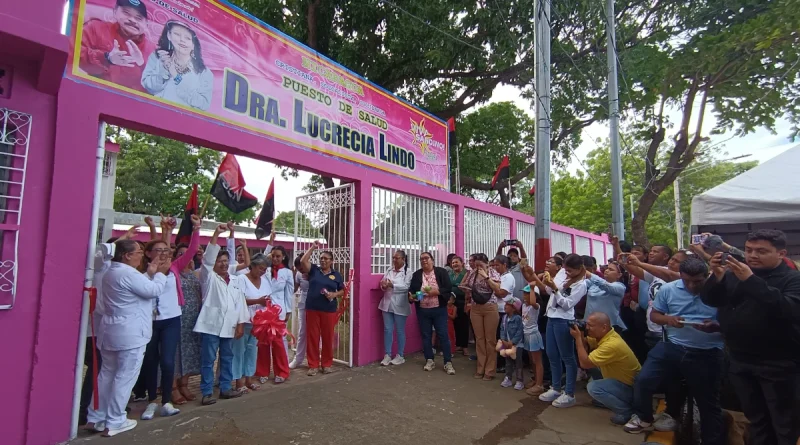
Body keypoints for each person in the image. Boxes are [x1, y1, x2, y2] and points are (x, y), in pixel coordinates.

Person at [701, 230, 800, 445]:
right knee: (756, 419)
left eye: (761, 251)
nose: (752, 255)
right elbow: (711, 299)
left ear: (781, 253)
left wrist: (750, 280)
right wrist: (716, 275)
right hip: (740, 359)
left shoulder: (792, 279)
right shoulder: (734, 273)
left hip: (778, 363)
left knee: (784, 422)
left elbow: (788, 309)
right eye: (749, 250)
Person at [624, 257, 725, 445]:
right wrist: (668, 319)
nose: (691, 285)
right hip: (672, 346)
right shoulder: (668, 289)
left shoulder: (720, 291)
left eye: (697, 281)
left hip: (707, 352)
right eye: (686, 280)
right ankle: (644, 417)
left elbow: (736, 322)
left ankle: (712, 440)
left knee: (707, 402)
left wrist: (717, 326)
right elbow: (655, 315)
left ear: (706, 276)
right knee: (644, 379)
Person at [85, 240, 170, 437]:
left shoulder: (110, 271)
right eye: (138, 252)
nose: (141, 255)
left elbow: (137, 286)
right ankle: (115, 419)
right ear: (126, 255)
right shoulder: (126, 273)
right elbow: (153, 290)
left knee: (107, 375)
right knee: (124, 376)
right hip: (129, 332)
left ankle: (97, 417)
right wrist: (159, 274)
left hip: (112, 331)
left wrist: (151, 272)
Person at [140, 215, 201, 420]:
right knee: (151, 361)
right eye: (158, 251)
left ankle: (166, 400)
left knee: (168, 362)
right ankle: (151, 401)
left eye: (167, 251)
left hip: (172, 321)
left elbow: (192, 250)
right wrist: (159, 230)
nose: (164, 253)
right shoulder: (142, 271)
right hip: (149, 322)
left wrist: (196, 229)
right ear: (148, 254)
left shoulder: (174, 267)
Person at [194, 224, 248, 406]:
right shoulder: (207, 278)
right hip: (211, 325)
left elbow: (239, 303)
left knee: (227, 357)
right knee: (208, 360)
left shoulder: (234, 280)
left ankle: (226, 388)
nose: (224, 264)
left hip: (229, 326)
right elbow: (207, 260)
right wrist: (217, 234)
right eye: (220, 261)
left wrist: (241, 323)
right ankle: (207, 392)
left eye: (226, 261)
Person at [532, 253, 588, 408]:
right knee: (552, 354)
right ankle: (556, 387)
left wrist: (555, 288)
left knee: (567, 357)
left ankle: (569, 393)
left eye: (570, 270)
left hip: (564, 320)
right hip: (551, 316)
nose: (566, 272)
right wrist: (550, 284)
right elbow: (549, 292)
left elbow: (567, 304)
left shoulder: (581, 284)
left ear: (578, 269)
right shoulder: (563, 274)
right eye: (565, 269)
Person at [572, 312, 641, 425]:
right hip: (621, 381)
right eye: (587, 324)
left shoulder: (612, 344)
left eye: (590, 325)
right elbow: (585, 346)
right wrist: (582, 334)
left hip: (631, 388)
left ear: (603, 327)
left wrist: (578, 338)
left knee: (594, 388)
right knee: (594, 369)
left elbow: (584, 363)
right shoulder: (605, 335)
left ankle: (626, 411)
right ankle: (611, 400)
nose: (588, 328)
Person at [79, 0, 153, 92]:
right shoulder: (95, 28)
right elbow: (74, 51)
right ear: (115, 12)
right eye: (126, 13)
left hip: (131, 104)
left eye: (138, 18)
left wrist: (142, 64)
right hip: (91, 93)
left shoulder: (154, 52)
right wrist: (107, 58)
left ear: (146, 24)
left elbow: (159, 88)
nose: (132, 20)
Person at [141, 21, 213, 110]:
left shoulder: (204, 72)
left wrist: (176, 76)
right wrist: (163, 72)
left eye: (187, 38)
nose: (182, 40)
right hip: (155, 114)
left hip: (184, 121)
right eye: (177, 34)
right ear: (169, 35)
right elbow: (149, 87)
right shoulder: (158, 57)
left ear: (193, 45)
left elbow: (203, 104)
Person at [301, 241, 344, 376]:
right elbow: (303, 261)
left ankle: (326, 364)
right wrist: (313, 247)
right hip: (312, 308)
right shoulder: (314, 270)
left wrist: (334, 294)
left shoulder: (336, 275)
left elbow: (342, 290)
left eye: (326, 258)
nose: (323, 260)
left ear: (331, 261)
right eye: (321, 258)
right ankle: (313, 365)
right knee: (313, 337)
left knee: (327, 337)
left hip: (329, 309)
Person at [409, 252, 456, 374]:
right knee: (426, 336)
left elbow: (448, 288)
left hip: (439, 309)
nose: (424, 261)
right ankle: (429, 360)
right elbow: (412, 291)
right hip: (423, 310)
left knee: (443, 335)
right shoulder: (417, 275)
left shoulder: (441, 272)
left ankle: (448, 362)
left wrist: (438, 292)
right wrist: (411, 297)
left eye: (426, 258)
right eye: (421, 259)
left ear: (432, 260)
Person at [256, 246, 294, 383]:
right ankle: (262, 372)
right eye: (273, 256)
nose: (276, 258)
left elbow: (289, 293)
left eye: (278, 256)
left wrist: (288, 311)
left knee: (278, 343)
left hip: (279, 311)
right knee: (263, 342)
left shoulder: (288, 273)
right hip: (264, 310)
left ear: (283, 256)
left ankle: (282, 372)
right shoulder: (264, 271)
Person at [233, 253, 269, 391]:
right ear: (252, 266)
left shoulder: (264, 280)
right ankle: (238, 382)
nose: (262, 271)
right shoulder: (241, 279)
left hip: (258, 323)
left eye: (264, 269)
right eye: (260, 268)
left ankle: (249, 378)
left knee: (252, 351)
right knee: (239, 351)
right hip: (243, 321)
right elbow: (238, 300)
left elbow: (267, 297)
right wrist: (257, 301)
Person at [173, 241, 203, 402]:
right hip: (177, 318)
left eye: (187, 254)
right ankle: (173, 387)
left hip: (192, 319)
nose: (185, 257)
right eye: (180, 254)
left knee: (189, 352)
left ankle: (185, 383)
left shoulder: (194, 274)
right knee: (175, 353)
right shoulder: (172, 273)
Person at [464, 253, 501, 380]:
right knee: (479, 339)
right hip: (475, 308)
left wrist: (486, 277)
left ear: (486, 263)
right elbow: (468, 286)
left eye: (480, 265)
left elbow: (497, 289)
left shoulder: (493, 273)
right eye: (476, 264)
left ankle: (490, 371)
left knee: (490, 340)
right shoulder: (473, 273)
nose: (478, 267)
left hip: (490, 307)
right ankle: (480, 368)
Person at [379, 250, 412, 366]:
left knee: (399, 330)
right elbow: (383, 282)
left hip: (400, 304)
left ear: (403, 259)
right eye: (393, 258)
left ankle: (400, 355)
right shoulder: (389, 269)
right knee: (387, 330)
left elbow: (406, 287)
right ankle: (387, 354)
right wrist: (383, 285)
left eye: (397, 258)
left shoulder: (408, 272)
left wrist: (392, 285)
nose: (394, 260)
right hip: (387, 303)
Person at [488, 255, 516, 373]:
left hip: (504, 310)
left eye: (497, 265)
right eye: (494, 265)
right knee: (498, 337)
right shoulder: (501, 276)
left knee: (503, 338)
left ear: (505, 265)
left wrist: (489, 281)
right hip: (498, 309)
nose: (495, 267)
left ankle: (504, 364)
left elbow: (501, 293)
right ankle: (500, 362)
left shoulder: (508, 277)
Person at [584, 262, 626, 331]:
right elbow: (581, 283)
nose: (606, 270)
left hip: (608, 326)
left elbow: (605, 285)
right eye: (607, 268)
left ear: (619, 275)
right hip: (589, 324)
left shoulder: (620, 287)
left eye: (611, 269)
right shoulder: (594, 283)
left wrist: (589, 274)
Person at [521, 285, 545, 396]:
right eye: (525, 293)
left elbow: (533, 303)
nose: (525, 295)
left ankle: (539, 385)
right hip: (526, 334)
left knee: (537, 361)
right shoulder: (523, 306)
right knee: (532, 361)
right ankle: (535, 380)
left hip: (533, 335)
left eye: (528, 293)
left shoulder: (536, 306)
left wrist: (532, 288)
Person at [499, 297, 525, 390]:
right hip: (507, 345)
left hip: (517, 345)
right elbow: (502, 329)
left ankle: (519, 380)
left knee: (518, 363)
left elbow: (519, 331)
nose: (505, 306)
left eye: (508, 305)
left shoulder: (518, 318)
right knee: (508, 362)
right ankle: (508, 378)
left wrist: (512, 342)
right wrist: (503, 340)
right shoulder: (504, 318)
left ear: (514, 308)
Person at [289, 256, 310, 369]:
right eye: (299, 269)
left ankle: (315, 359)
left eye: (302, 269)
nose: (301, 272)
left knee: (316, 333)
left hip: (317, 305)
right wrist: (291, 277)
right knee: (302, 332)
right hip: (304, 304)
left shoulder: (316, 271)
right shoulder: (298, 274)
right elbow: (294, 289)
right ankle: (298, 359)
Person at [448, 256, 470, 356]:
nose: (454, 264)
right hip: (452, 302)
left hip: (463, 301)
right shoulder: (450, 274)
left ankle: (465, 346)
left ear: (462, 263)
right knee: (455, 324)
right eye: (453, 263)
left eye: (456, 262)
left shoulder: (467, 273)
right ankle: (458, 344)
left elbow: (466, 287)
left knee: (464, 324)